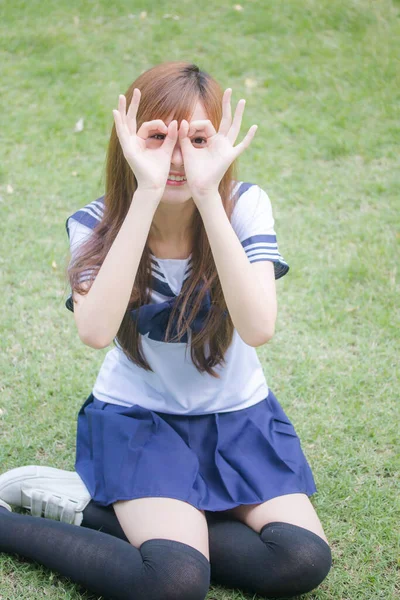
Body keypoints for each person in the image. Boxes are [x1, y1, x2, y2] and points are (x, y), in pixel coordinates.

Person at [0, 61, 331, 599]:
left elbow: (257, 326)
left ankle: (105, 512)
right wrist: (146, 195)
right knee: (175, 582)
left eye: (199, 138)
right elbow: (95, 330)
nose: (178, 157)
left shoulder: (245, 205)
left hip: (238, 421)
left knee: (301, 560)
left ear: (221, 140)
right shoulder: (95, 221)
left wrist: (206, 196)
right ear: (129, 139)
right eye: (158, 137)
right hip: (140, 423)